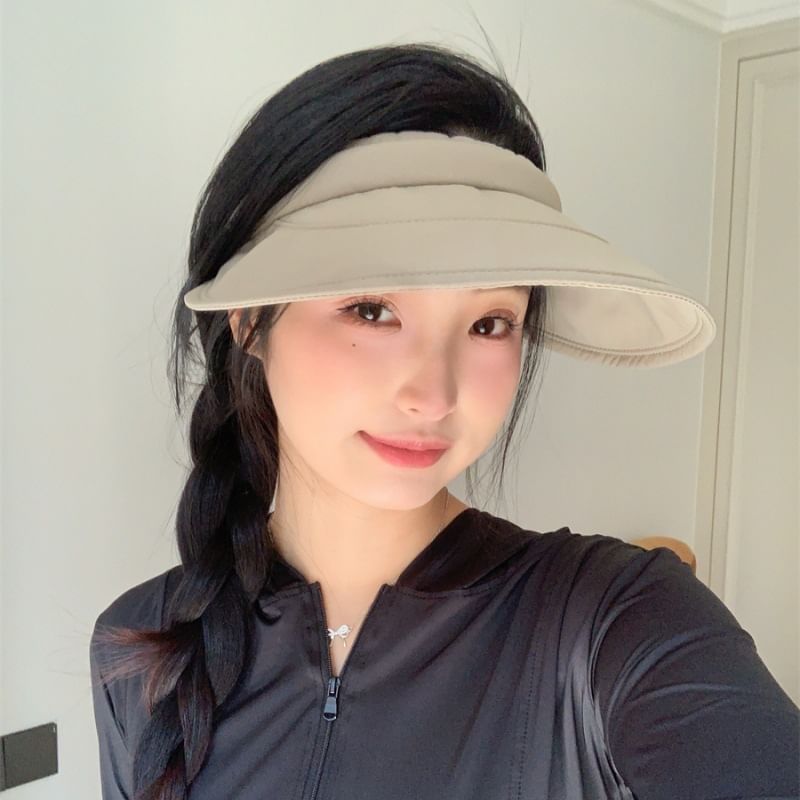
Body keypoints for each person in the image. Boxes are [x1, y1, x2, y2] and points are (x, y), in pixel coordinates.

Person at [89, 40, 800, 800]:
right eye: (372, 309)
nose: (434, 395)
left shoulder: (616, 620)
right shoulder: (142, 649)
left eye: (490, 323)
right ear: (249, 322)